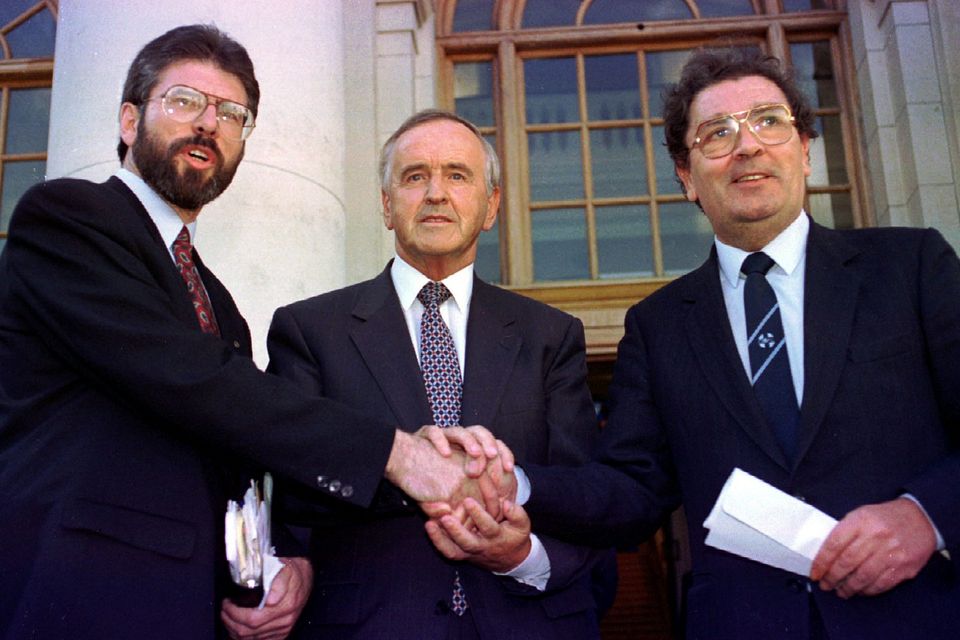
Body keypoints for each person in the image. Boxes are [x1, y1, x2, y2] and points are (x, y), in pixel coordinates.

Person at [0, 26, 505, 640]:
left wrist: (277, 567)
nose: (209, 124)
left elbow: (245, 448)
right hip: (81, 594)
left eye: (232, 113)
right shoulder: (68, 220)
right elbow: (192, 382)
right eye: (185, 100)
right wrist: (399, 456)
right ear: (129, 121)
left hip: (191, 609)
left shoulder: (218, 303)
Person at [512, 47, 960, 639]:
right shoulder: (658, 325)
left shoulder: (911, 267)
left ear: (804, 149)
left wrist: (925, 516)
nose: (746, 145)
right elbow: (630, 488)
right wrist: (516, 484)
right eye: (717, 133)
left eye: (768, 120)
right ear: (686, 176)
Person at [266, 109, 608, 639]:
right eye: (414, 176)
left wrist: (523, 555)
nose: (435, 193)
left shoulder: (551, 336)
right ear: (386, 205)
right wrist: (405, 470)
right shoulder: (310, 330)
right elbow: (289, 489)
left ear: (491, 206)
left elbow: (584, 493)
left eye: (457, 174)